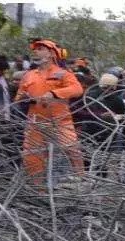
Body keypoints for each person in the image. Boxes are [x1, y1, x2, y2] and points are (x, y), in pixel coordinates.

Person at [15, 39, 84, 186]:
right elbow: (18, 96)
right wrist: (24, 99)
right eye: (35, 49)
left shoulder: (63, 74)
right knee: (32, 157)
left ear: (51, 53)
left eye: (40, 49)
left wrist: (54, 94)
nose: (36, 51)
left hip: (60, 121)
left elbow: (77, 89)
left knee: (72, 149)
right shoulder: (29, 75)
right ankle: (38, 189)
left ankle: (81, 182)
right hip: (35, 122)